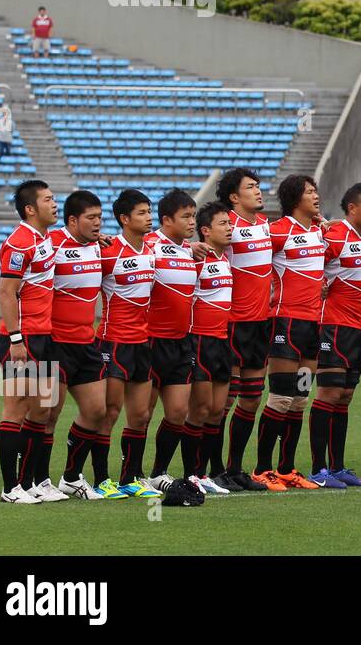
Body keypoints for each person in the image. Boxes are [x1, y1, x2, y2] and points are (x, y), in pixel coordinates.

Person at [253, 175, 325, 491]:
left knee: (299, 399)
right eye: (310, 192)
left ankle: (287, 469)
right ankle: (261, 469)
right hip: (285, 324)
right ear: (295, 198)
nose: (316, 196)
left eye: (316, 190)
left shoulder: (321, 233)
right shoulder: (277, 231)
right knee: (281, 398)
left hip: (313, 328)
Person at [145, 189, 219, 493]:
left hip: (181, 342)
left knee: (176, 413)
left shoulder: (190, 249)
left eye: (193, 215)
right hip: (149, 341)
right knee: (141, 414)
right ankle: (130, 475)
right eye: (186, 217)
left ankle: (158, 472)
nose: (192, 221)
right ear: (166, 220)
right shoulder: (148, 245)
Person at [308, 183, 361, 488]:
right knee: (329, 393)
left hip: (356, 328)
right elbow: (308, 264)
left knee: (346, 397)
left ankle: (337, 467)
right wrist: (320, 285)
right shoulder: (333, 235)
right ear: (352, 208)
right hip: (331, 325)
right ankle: (318, 469)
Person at [0, 181, 59, 504]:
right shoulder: (19, 242)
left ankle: (29, 482)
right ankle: (10, 489)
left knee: (42, 411)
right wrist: (17, 339)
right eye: (48, 199)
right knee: (16, 410)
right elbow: (5, 293)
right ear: (30, 208)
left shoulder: (44, 238)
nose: (55, 203)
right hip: (21, 339)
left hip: (43, 336)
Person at [96, 189, 161, 497]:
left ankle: (129, 478)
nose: (149, 217)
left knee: (141, 415)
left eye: (149, 212)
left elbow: (180, 245)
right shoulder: (108, 250)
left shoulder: (152, 247)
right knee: (109, 412)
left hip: (143, 343)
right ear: (124, 219)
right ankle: (99, 479)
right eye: (142, 213)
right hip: (113, 342)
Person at [46, 190, 108, 500]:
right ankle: (35, 481)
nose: (98, 224)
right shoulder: (52, 245)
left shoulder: (100, 246)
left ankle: (71, 477)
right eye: (91, 218)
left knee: (96, 410)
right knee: (47, 415)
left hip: (86, 343)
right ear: (72, 220)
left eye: (100, 218)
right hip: (54, 343)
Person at [219, 168, 273, 491]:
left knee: (251, 400)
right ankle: (211, 470)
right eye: (250, 187)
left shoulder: (266, 225)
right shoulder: (226, 225)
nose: (258, 191)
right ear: (234, 197)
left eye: (258, 185)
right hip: (231, 323)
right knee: (222, 402)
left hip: (260, 324)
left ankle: (235, 467)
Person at [186, 202, 237, 491]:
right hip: (200, 340)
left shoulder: (225, 258)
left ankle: (206, 474)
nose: (229, 228)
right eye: (222, 224)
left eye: (229, 223)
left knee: (217, 410)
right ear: (206, 231)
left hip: (222, 340)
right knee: (201, 409)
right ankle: (193, 473)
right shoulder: (196, 260)